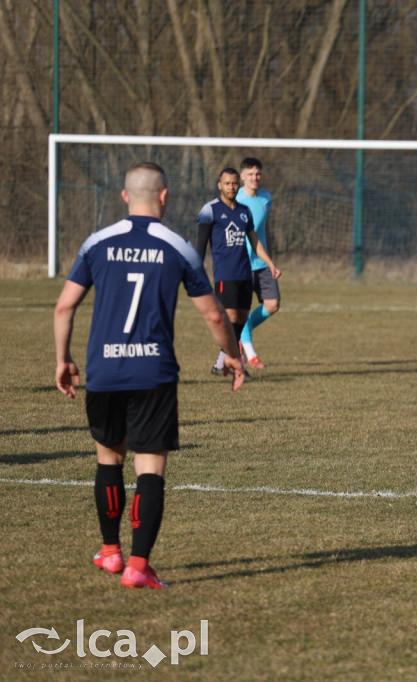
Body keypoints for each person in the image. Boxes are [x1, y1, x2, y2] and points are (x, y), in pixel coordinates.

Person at [54, 162, 246, 589]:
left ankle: (110, 552)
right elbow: (215, 314)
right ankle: (138, 568)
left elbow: (64, 306)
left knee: (109, 460)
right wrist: (232, 355)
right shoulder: (177, 246)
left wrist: (63, 359)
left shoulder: (97, 243)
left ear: (125, 196)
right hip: (153, 372)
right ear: (165, 197)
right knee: (150, 470)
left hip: (104, 370)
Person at [196, 167, 281, 377]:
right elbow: (200, 246)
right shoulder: (210, 210)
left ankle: (220, 363)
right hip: (225, 273)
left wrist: (270, 263)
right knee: (230, 318)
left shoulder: (244, 211)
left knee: (241, 318)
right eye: (227, 183)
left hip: (245, 272)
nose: (231, 187)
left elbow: (254, 240)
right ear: (219, 185)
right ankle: (234, 364)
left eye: (234, 183)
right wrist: (197, 272)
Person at [235, 157, 279, 369]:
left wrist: (271, 259)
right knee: (242, 309)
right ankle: (251, 354)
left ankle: (241, 336)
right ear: (242, 176)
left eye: (258, 174)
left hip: (262, 263)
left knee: (272, 305)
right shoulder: (234, 198)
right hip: (240, 264)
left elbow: (265, 229)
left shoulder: (265, 198)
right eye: (250, 174)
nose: (255, 178)